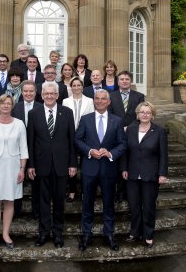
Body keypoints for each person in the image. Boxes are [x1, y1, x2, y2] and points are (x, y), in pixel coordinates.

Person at [75, 89, 127, 252]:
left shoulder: (117, 121)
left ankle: (109, 234)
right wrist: (89, 151)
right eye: (97, 98)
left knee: (109, 204)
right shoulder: (85, 119)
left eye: (103, 99)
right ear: (94, 101)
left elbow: (123, 144)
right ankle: (86, 234)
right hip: (89, 169)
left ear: (109, 101)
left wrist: (111, 153)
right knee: (87, 204)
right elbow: (77, 139)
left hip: (109, 169)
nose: (99, 101)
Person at [27, 82, 77, 248]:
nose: (49, 96)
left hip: (62, 165)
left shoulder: (67, 112)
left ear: (57, 95)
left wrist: (72, 163)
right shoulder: (34, 113)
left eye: (52, 93)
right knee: (43, 202)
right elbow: (31, 141)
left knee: (59, 202)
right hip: (41, 165)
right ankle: (43, 233)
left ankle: (57, 233)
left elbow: (71, 140)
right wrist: (31, 165)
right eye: (46, 94)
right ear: (42, 95)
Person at [0, 94, 29, 250]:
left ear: (12, 106)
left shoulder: (20, 124)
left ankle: (6, 234)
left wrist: (22, 169)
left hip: (13, 167)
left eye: (9, 103)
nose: (6, 106)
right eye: (3, 103)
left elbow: (23, 149)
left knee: (10, 201)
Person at [121, 101, 168, 249]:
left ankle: (148, 234)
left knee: (148, 206)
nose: (145, 115)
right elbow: (125, 152)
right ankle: (135, 232)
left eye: (148, 112)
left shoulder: (159, 131)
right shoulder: (130, 129)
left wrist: (162, 174)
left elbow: (163, 155)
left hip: (151, 175)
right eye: (142, 112)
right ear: (138, 114)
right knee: (134, 206)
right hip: (132, 174)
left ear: (152, 115)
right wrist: (124, 168)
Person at [109, 70, 145, 202]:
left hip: (133, 133)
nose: (124, 81)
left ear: (130, 81)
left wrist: (129, 127)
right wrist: (119, 128)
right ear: (118, 82)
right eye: (122, 79)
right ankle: (117, 192)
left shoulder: (139, 96)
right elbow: (110, 115)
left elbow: (140, 115)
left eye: (127, 79)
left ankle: (127, 192)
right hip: (115, 134)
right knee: (117, 163)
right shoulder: (111, 96)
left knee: (129, 162)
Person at [12, 80, 42, 219]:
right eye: (26, 91)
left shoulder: (41, 107)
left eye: (31, 91)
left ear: (35, 93)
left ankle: (36, 211)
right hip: (17, 151)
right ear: (22, 93)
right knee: (17, 181)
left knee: (37, 183)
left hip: (37, 151)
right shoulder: (15, 108)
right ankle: (16, 210)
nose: (28, 93)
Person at [62, 76, 94, 202]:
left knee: (86, 165)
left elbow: (91, 119)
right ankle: (72, 191)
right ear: (71, 87)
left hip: (85, 136)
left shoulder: (90, 101)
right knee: (71, 164)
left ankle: (85, 192)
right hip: (70, 136)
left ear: (82, 86)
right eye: (74, 85)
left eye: (78, 85)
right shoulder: (65, 101)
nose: (76, 87)